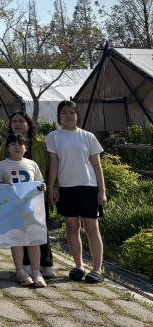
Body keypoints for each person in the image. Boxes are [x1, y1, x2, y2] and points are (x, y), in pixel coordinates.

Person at [47, 100, 106, 284]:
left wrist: (102, 191)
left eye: (71, 112)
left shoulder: (88, 136)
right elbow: (54, 164)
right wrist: (52, 186)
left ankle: (97, 269)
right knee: (72, 228)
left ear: (77, 115)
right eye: (64, 112)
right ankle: (79, 266)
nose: (68, 115)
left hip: (89, 187)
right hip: (66, 188)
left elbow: (97, 166)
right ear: (59, 116)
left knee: (91, 228)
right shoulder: (53, 137)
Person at [0, 110, 55, 279]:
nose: (17, 124)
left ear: (29, 124)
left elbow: (48, 167)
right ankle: (25, 265)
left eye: (21, 121)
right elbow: (2, 169)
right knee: (19, 229)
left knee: (41, 228)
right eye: (14, 121)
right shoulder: (6, 144)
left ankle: (46, 264)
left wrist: (51, 187)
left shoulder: (40, 144)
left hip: (36, 195)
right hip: (15, 198)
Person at [0, 133, 47, 287]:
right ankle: (20, 271)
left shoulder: (32, 164)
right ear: (7, 148)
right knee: (16, 239)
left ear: (26, 148)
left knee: (34, 239)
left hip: (31, 209)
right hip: (12, 210)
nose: (17, 147)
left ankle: (36, 271)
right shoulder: (2, 165)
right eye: (13, 144)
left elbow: (39, 183)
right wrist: (4, 186)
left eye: (20, 144)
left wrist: (42, 187)